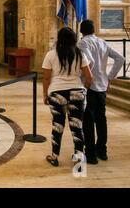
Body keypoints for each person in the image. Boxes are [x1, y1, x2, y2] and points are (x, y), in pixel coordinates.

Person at [42, 27, 92, 167]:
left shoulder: (51, 55)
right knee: (77, 127)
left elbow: (46, 78)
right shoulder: (80, 54)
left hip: (57, 92)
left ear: (59, 38)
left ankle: (54, 156)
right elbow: (89, 77)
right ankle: (78, 159)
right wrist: (84, 89)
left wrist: (45, 95)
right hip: (77, 92)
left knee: (57, 125)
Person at [78, 20, 125, 165]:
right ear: (93, 30)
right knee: (101, 120)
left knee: (88, 122)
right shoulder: (102, 42)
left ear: (81, 31)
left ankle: (91, 155)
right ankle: (102, 151)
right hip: (102, 86)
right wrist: (109, 77)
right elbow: (120, 58)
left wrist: (86, 78)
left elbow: (89, 61)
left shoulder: (82, 43)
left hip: (89, 87)